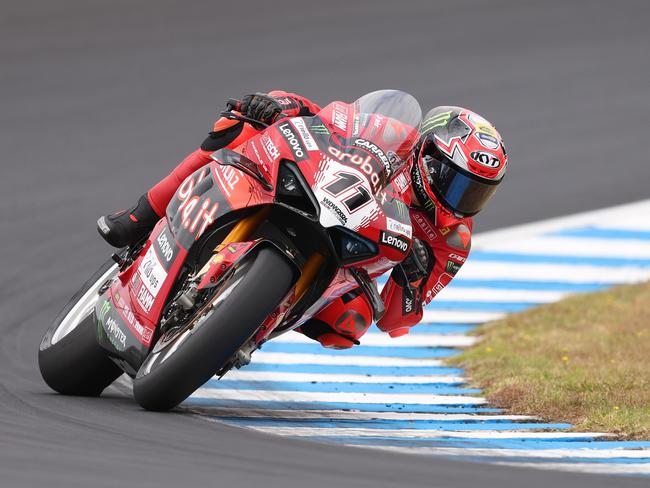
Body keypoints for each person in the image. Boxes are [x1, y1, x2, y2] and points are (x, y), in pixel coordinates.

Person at [97, 91, 508, 348]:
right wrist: (280, 105)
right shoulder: (395, 135)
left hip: (344, 265)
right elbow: (331, 118)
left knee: (351, 323)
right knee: (238, 127)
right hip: (311, 191)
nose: (462, 200)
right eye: (455, 181)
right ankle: (141, 214)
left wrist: (412, 281)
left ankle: (246, 327)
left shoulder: (452, 241)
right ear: (427, 155)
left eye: (477, 192)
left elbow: (397, 319)